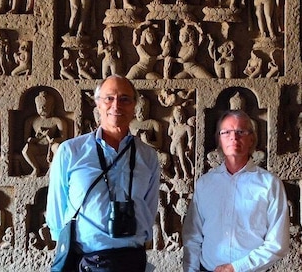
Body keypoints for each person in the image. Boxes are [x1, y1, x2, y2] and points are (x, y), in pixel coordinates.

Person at [46, 75, 160, 271]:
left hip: (132, 260)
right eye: (109, 98)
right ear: (98, 104)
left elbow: (149, 209)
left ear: (134, 106)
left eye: (125, 99)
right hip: (88, 261)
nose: (116, 105)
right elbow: (56, 209)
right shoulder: (71, 152)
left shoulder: (148, 156)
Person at [182, 109, 290, 272]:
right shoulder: (205, 184)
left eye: (240, 131)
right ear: (219, 139)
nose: (233, 137)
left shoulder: (269, 184)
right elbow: (192, 236)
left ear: (252, 138)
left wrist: (236, 267)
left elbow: (277, 244)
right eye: (226, 132)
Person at [22, 91, 68, 176]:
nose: (42, 109)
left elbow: (64, 138)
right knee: (26, 149)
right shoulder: (31, 121)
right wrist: (37, 138)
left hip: (51, 146)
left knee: (58, 147)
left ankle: (51, 169)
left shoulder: (57, 121)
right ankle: (35, 168)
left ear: (52, 107)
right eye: (39, 107)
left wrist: (52, 138)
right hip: (38, 146)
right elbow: (26, 139)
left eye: (45, 106)